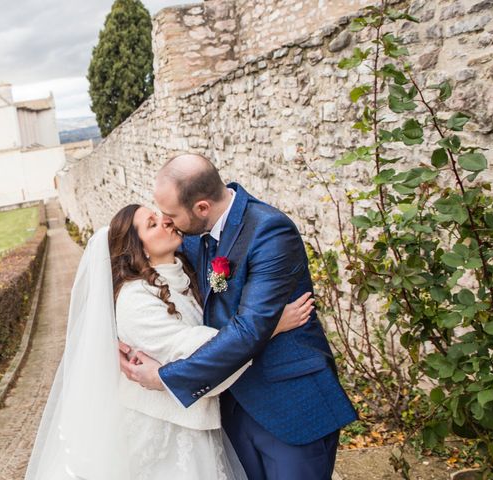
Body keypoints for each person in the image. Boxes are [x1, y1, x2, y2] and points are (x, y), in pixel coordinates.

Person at [24, 204, 313, 480]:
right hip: (164, 431)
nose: (165, 220)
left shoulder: (186, 269)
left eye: (158, 214)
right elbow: (191, 347)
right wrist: (268, 327)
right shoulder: (134, 299)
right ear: (140, 250)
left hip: (197, 420)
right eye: (152, 224)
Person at [121, 153, 357, 480]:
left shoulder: (269, 231)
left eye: (170, 214)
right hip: (233, 409)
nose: (167, 221)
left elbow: (249, 330)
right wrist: (114, 333)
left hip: (289, 405)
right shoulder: (193, 237)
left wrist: (164, 378)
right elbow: (137, 261)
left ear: (201, 207)